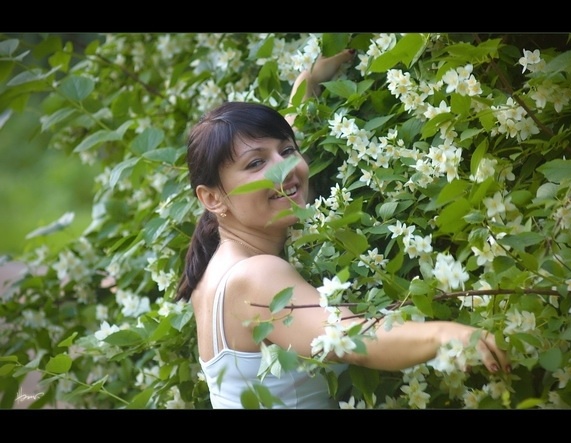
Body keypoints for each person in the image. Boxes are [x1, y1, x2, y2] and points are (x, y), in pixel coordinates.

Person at [175, 49, 511, 409]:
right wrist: (445, 333)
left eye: (287, 151)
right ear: (212, 198)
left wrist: (309, 79)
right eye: (256, 163)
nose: (283, 168)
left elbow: (285, 132)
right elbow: (351, 338)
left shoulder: (219, 266)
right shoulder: (255, 275)